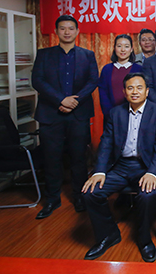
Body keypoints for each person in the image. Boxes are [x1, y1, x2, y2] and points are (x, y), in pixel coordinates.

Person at [82, 73, 156, 262]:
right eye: (130, 88)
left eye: (139, 88)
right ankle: (108, 235)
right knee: (91, 192)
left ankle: (144, 240)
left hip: (145, 166)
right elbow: (106, 143)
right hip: (120, 166)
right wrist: (99, 171)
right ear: (124, 92)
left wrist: (153, 173)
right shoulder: (116, 113)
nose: (135, 91)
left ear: (147, 91)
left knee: (148, 195)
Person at [31, 14, 98, 219]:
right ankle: (52, 199)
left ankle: (79, 197)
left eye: (70, 28)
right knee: (51, 158)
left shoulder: (87, 55)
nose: (67, 32)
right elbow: (37, 81)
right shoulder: (44, 54)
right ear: (56, 31)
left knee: (79, 158)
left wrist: (74, 101)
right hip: (51, 114)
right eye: (62, 28)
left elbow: (93, 80)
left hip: (78, 115)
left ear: (77, 31)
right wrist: (61, 99)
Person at [98, 34, 142, 117]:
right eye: (119, 46)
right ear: (114, 48)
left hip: (134, 114)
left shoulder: (139, 69)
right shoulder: (107, 69)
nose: (123, 50)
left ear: (131, 49)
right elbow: (103, 92)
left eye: (126, 46)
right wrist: (110, 113)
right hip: (110, 114)